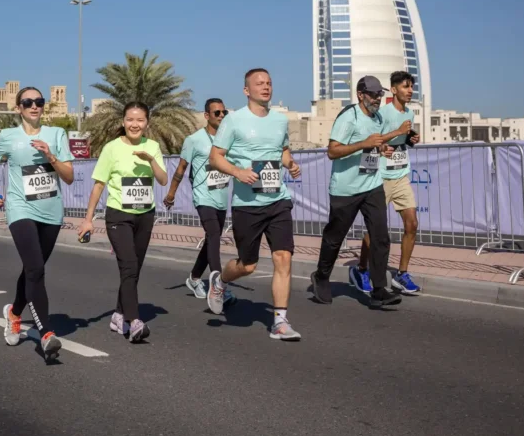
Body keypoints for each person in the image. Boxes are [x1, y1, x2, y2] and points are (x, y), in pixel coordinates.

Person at [208, 69, 303, 339]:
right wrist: (238, 172)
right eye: (259, 83)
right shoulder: (234, 120)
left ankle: (280, 322)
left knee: (283, 257)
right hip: (247, 204)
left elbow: (282, 151)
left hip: (278, 199)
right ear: (246, 90)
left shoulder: (280, 120)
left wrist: (291, 164)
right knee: (247, 266)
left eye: (269, 83)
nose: (266, 87)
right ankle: (221, 281)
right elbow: (215, 157)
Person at [0, 87, 74, 360]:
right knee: (36, 269)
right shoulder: (7, 136)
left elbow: (69, 176)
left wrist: (51, 157)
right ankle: (46, 333)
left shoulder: (56, 134)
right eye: (28, 102)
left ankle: (14, 312)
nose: (34, 106)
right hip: (20, 208)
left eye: (39, 102)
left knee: (32, 269)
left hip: (51, 211)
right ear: (18, 108)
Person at [78, 102, 167, 343]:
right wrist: (88, 220)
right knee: (128, 266)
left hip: (145, 215)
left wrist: (150, 160)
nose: (134, 124)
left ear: (147, 123)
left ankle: (118, 314)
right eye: (130, 119)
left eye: (140, 120)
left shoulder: (152, 147)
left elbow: (162, 179)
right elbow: (99, 185)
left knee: (134, 269)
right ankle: (134, 320)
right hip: (118, 215)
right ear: (123, 122)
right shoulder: (112, 148)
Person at [311, 76, 402, 309]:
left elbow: (374, 144)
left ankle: (379, 289)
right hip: (346, 189)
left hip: (372, 185)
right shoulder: (348, 117)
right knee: (335, 237)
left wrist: (382, 148)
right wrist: (363, 144)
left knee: (380, 237)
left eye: (380, 94)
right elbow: (332, 151)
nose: (377, 99)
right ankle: (321, 276)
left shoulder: (378, 118)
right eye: (373, 94)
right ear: (361, 95)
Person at [351, 71, 423, 295]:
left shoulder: (409, 112)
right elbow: (375, 140)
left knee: (412, 224)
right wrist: (397, 132)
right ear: (393, 90)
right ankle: (361, 269)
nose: (410, 91)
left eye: (411, 87)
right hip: (380, 178)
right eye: (405, 87)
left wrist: (410, 138)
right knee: (376, 230)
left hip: (401, 176)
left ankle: (402, 274)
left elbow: (401, 141)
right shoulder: (382, 113)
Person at [164, 98, 234, 305]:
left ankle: (194, 278)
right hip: (203, 196)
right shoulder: (194, 140)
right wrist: (171, 194)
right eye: (217, 113)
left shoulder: (228, 140)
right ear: (206, 116)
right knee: (213, 235)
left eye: (224, 112)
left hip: (221, 196)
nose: (221, 116)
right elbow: (181, 168)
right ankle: (218, 286)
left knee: (212, 238)